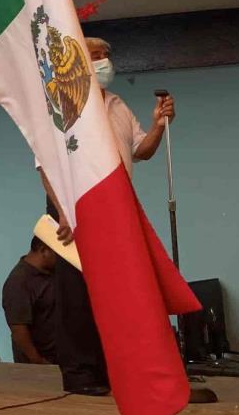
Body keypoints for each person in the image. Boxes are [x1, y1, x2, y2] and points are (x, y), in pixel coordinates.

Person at [38, 36, 175, 396]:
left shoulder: (116, 104)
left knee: (113, 291)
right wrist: (64, 211)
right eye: (96, 57)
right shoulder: (64, 104)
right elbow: (45, 166)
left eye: (106, 57)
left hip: (116, 207)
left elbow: (141, 151)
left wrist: (158, 124)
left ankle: (109, 369)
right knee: (77, 293)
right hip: (74, 206)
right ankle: (80, 375)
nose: (104, 63)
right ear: (80, 62)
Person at [2, 238, 60, 365]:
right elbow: (19, 329)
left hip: (58, 360)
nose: (62, 259)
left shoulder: (51, 273)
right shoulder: (19, 282)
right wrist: (38, 361)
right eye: (58, 253)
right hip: (37, 366)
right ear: (44, 250)